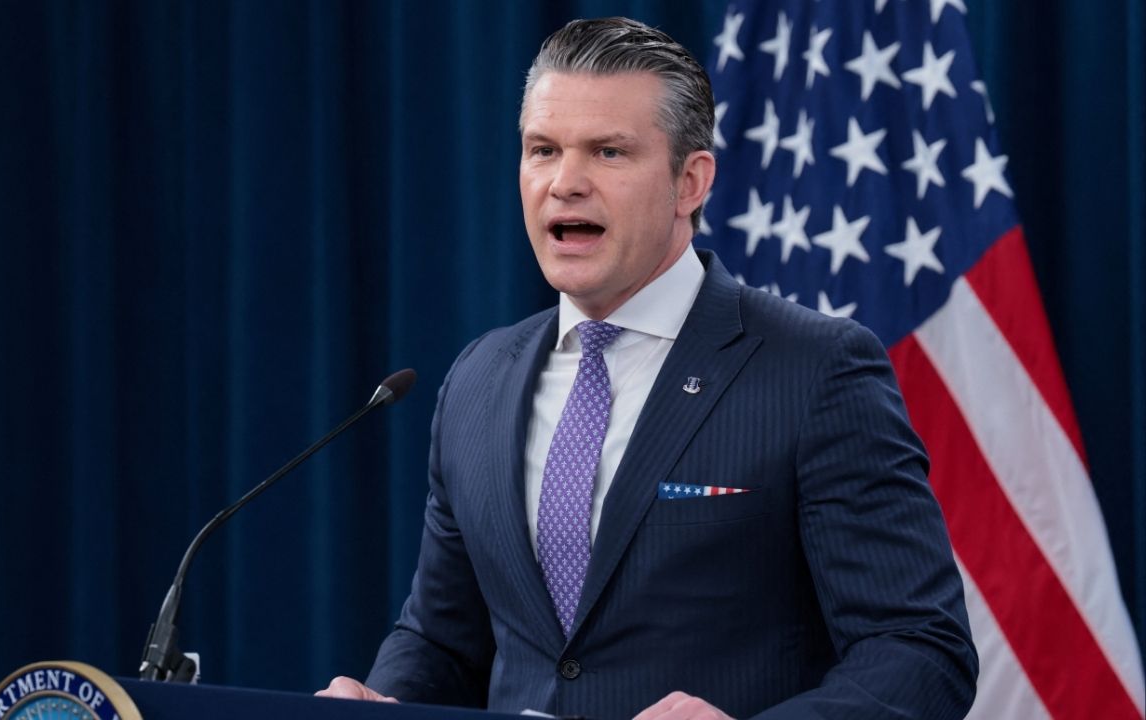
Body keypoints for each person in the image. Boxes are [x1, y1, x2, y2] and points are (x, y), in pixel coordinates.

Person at [318, 17, 976, 720]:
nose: (565, 183)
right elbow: (445, 643)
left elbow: (920, 648)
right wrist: (380, 702)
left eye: (608, 151)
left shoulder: (816, 370)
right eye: (543, 150)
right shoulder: (478, 380)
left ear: (690, 182)